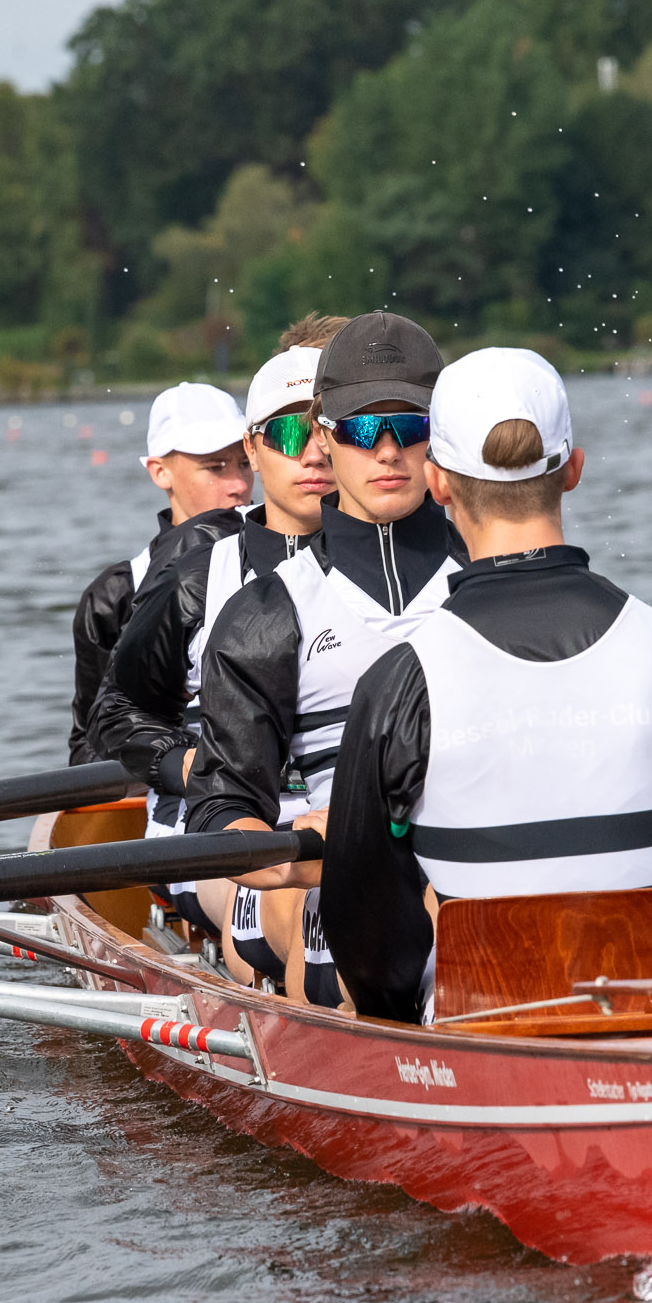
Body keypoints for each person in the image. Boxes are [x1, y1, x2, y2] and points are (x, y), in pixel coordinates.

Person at [316, 348, 652, 1023]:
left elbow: (365, 929)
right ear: (574, 469)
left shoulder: (401, 683)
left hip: (487, 1025)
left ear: (437, 484)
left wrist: (395, 1018)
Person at [186, 313, 466, 1005]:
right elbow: (221, 812)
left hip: (479, 893)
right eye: (365, 430)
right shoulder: (267, 614)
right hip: (340, 908)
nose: (389, 452)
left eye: (409, 428)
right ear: (325, 436)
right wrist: (297, 852)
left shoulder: (490, 577)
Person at [88, 320, 344, 963]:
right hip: (216, 835)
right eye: (289, 434)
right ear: (256, 451)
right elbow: (115, 715)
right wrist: (204, 772)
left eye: (329, 431)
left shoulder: (411, 566)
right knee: (299, 899)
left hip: (355, 825)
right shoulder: (199, 576)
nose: (312, 453)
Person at [66, 382, 251, 764]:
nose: (238, 485)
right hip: (175, 799)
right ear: (160, 472)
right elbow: (87, 749)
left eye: (245, 463)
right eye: (215, 467)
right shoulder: (113, 597)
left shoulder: (292, 560)